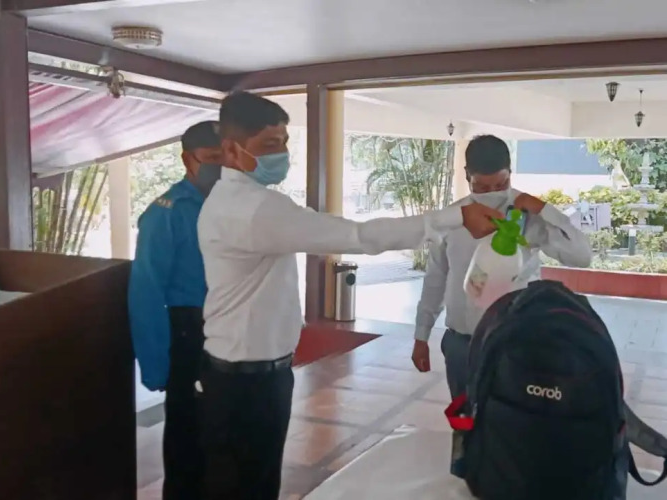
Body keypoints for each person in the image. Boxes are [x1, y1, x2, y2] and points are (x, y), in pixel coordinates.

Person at [195, 91, 505, 500]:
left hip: (250, 374)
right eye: (269, 144)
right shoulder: (252, 209)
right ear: (233, 150)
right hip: (245, 382)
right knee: (245, 486)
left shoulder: (243, 202)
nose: (282, 154)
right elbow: (358, 236)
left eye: (284, 141)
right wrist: (453, 217)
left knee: (252, 482)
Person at [411, 134, 593, 399]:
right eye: (482, 187)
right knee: (463, 413)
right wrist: (421, 334)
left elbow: (582, 257)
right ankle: (464, 428)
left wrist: (545, 209)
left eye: (501, 184)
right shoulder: (452, 219)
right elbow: (436, 278)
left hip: (516, 342)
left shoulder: (529, 215)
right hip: (462, 342)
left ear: (510, 173)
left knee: (510, 415)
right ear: (467, 175)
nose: (493, 193)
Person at [128, 121, 222, 500]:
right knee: (188, 440)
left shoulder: (234, 205)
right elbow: (146, 291)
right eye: (211, 159)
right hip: (189, 333)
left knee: (225, 437)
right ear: (188, 160)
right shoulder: (165, 214)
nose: (221, 168)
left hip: (232, 330)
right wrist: (155, 366)